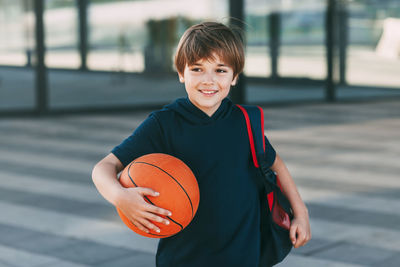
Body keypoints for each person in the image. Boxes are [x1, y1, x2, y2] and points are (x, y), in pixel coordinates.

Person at [92, 21, 311, 266]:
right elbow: (104, 167)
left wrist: (300, 213)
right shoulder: (164, 123)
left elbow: (276, 164)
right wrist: (120, 197)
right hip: (185, 258)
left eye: (220, 70)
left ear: (235, 76)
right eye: (197, 69)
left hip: (244, 256)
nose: (208, 80)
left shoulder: (245, 122)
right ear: (181, 72)